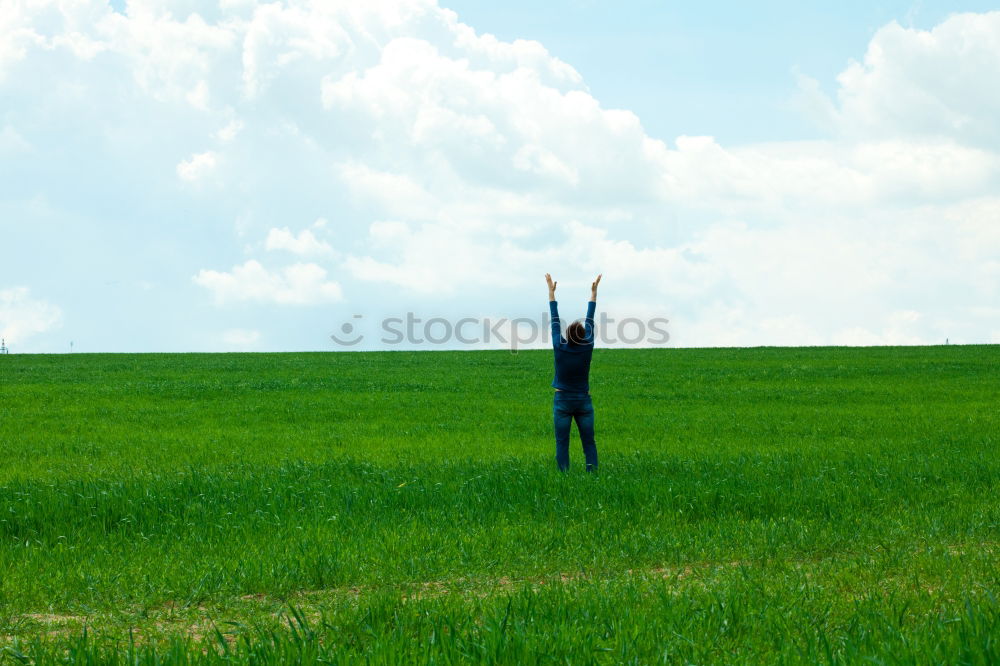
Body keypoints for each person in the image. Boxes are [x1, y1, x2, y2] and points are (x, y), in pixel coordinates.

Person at [546, 273, 601, 472]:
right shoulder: (588, 346)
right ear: (584, 336)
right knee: (589, 443)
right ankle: (593, 476)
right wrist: (593, 294)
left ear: (567, 335)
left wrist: (551, 294)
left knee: (562, 443)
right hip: (583, 401)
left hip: (562, 401)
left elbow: (554, 320)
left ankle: (564, 476)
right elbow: (590, 320)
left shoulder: (559, 346)